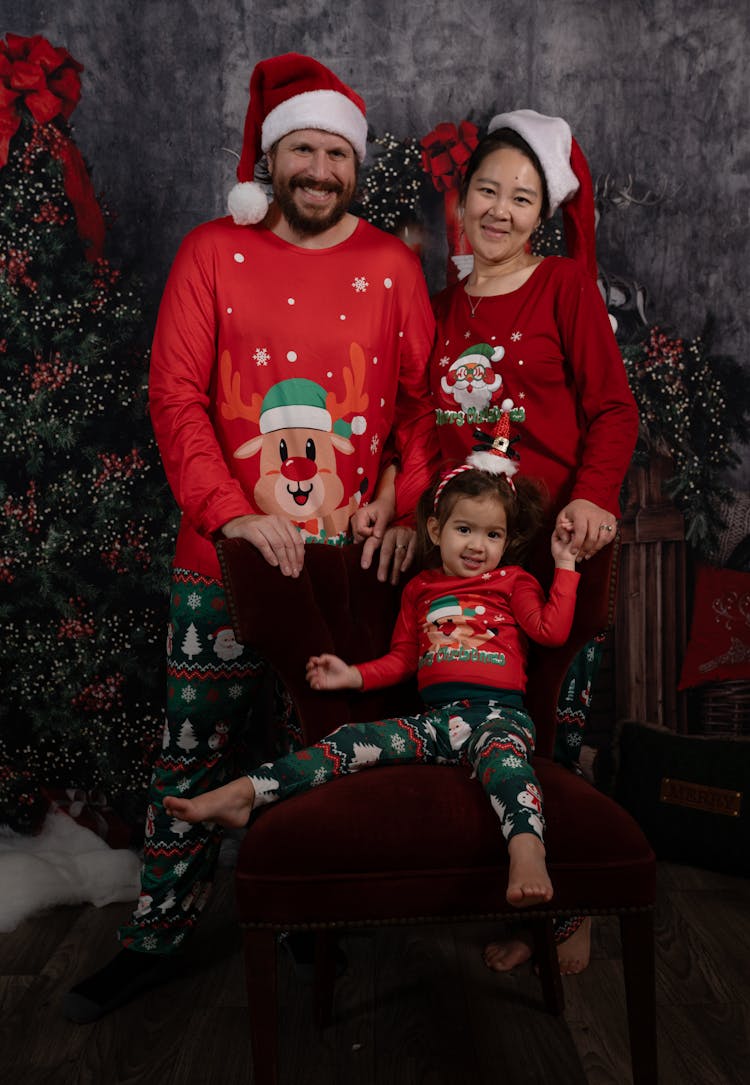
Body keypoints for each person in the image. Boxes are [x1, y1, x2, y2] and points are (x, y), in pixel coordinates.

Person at [63, 53, 438, 1024]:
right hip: (220, 564)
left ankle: (320, 919)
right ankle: (154, 936)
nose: (320, 169)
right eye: (302, 150)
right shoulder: (209, 253)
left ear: (356, 167)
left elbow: (421, 408)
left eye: (337, 155)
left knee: (325, 746)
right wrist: (232, 511)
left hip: (341, 573)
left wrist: (400, 505)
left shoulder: (393, 267)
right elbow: (175, 395)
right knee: (193, 752)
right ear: (273, 158)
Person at [162, 458, 580, 915]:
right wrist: (352, 674)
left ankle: (526, 851)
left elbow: (550, 630)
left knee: (506, 765)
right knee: (349, 741)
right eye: (465, 529)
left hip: (499, 717)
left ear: (507, 540)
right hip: (438, 723)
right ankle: (248, 792)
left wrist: (564, 565)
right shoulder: (421, 589)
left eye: (492, 534)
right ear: (437, 531)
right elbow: (403, 660)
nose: (478, 545)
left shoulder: (511, 582)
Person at [427, 110, 640, 974]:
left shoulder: (565, 290)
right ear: (464, 199)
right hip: (464, 556)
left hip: (548, 552)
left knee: (553, 728)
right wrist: (419, 520)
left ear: (540, 214)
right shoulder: (443, 305)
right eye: (489, 191)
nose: (502, 211)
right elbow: (423, 421)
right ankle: (506, 888)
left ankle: (568, 916)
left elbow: (614, 410)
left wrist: (592, 496)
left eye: (522, 198)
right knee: (478, 728)